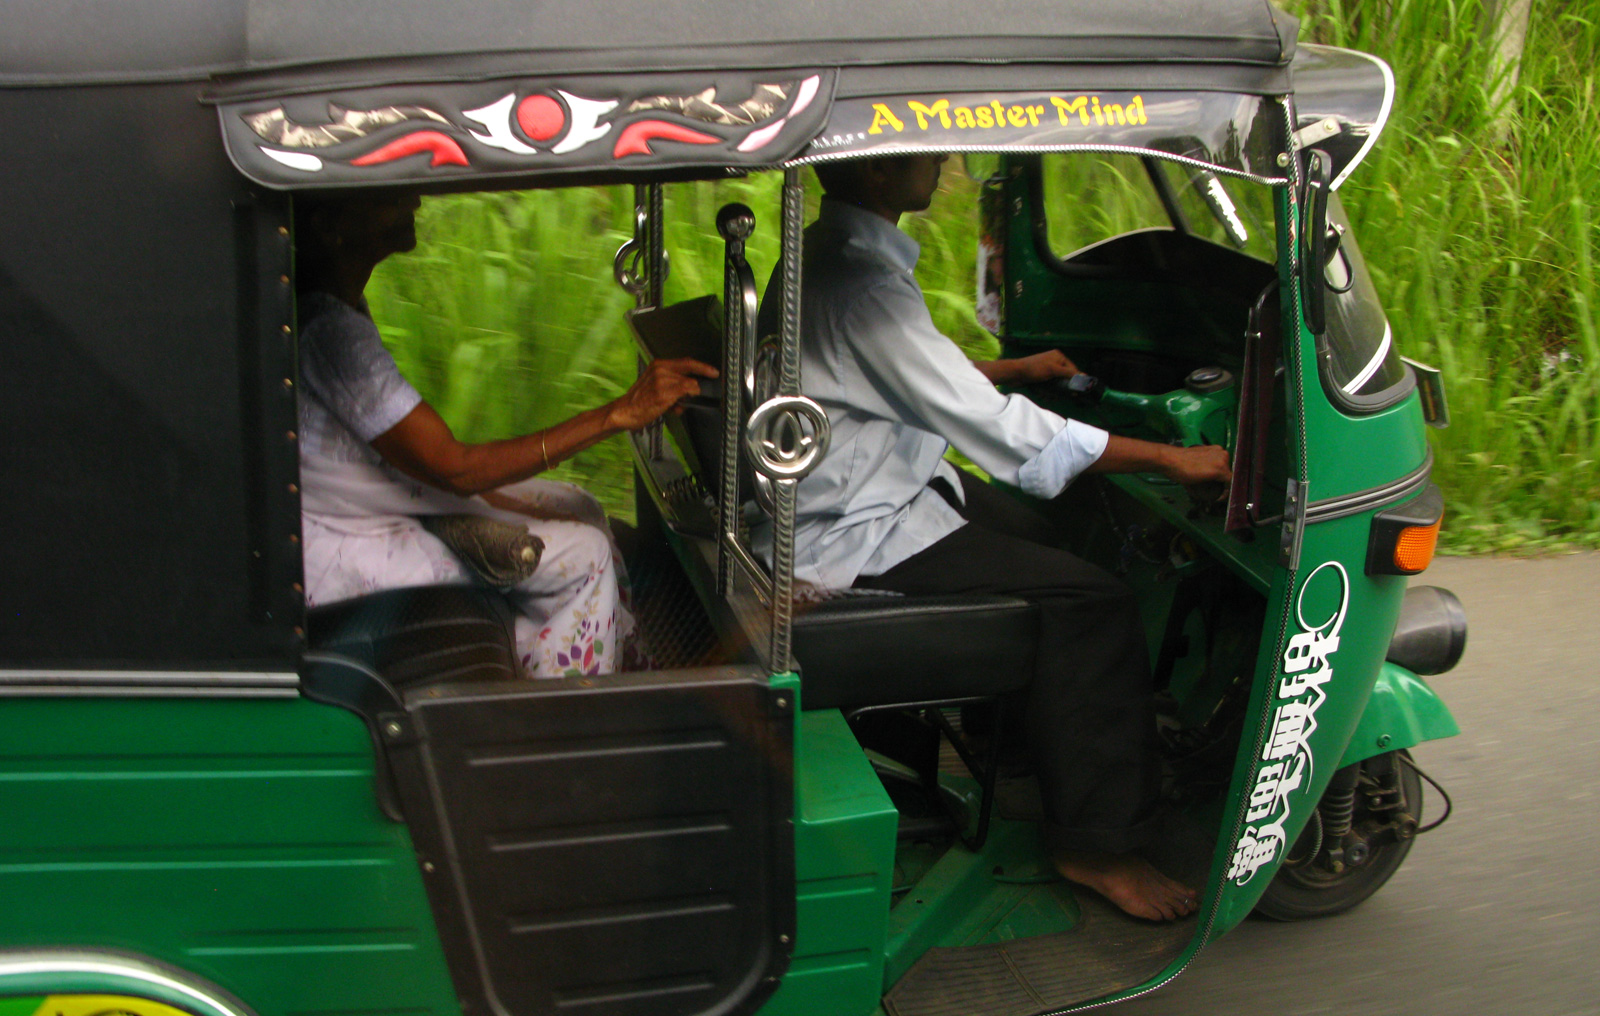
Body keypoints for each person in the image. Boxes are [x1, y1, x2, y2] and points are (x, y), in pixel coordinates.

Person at [778, 154, 1232, 921]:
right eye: (925, 151)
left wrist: (1009, 365)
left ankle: (1026, 737)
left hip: (883, 486)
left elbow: (888, 371)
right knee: (1096, 601)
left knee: (1048, 536)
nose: (944, 162)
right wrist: (1168, 456)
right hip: (858, 526)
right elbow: (998, 431)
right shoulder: (863, 286)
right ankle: (1094, 845)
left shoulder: (837, 254)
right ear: (881, 177)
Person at [294, 191, 716, 678]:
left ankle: (605, 653)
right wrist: (617, 414)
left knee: (581, 506)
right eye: (386, 195)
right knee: (585, 556)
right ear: (328, 226)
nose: (412, 197)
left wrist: (506, 501)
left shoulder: (336, 310)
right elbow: (456, 468)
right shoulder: (329, 332)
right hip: (344, 543)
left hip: (374, 506)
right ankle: (561, 723)